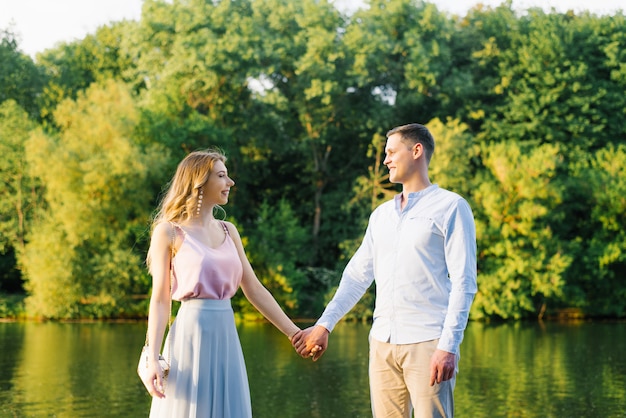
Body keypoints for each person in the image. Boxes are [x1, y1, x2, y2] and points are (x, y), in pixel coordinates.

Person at [293, 123, 477, 418]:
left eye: (391, 152)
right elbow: (357, 276)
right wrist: (325, 325)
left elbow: (464, 282)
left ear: (416, 151)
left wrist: (448, 346)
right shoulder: (381, 216)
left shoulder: (451, 207)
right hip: (382, 343)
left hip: (428, 342)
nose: (386, 160)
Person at [141, 149, 302, 418]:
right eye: (222, 176)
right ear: (199, 181)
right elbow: (159, 299)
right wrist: (153, 357)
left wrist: (293, 333)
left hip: (226, 333)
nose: (230, 183)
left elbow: (253, 288)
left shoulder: (229, 231)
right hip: (190, 337)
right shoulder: (168, 231)